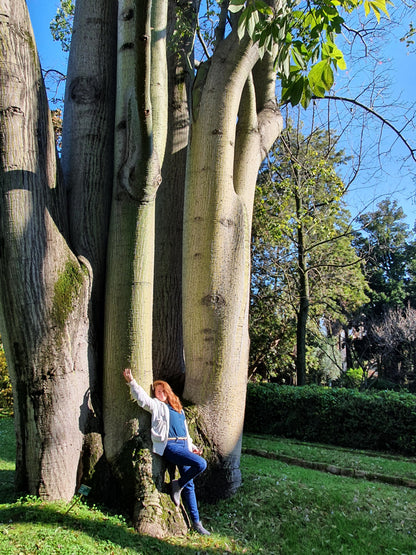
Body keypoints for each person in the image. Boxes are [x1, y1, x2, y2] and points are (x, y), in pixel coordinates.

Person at [123, 368, 211, 536]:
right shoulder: (157, 405)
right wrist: (131, 382)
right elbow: (142, 400)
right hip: (170, 446)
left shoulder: (179, 409)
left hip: (184, 445)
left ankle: (196, 523)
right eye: (157, 391)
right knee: (201, 464)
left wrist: (192, 447)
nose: (161, 393)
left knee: (190, 484)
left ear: (168, 391)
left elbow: (185, 432)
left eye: (163, 390)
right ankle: (177, 484)